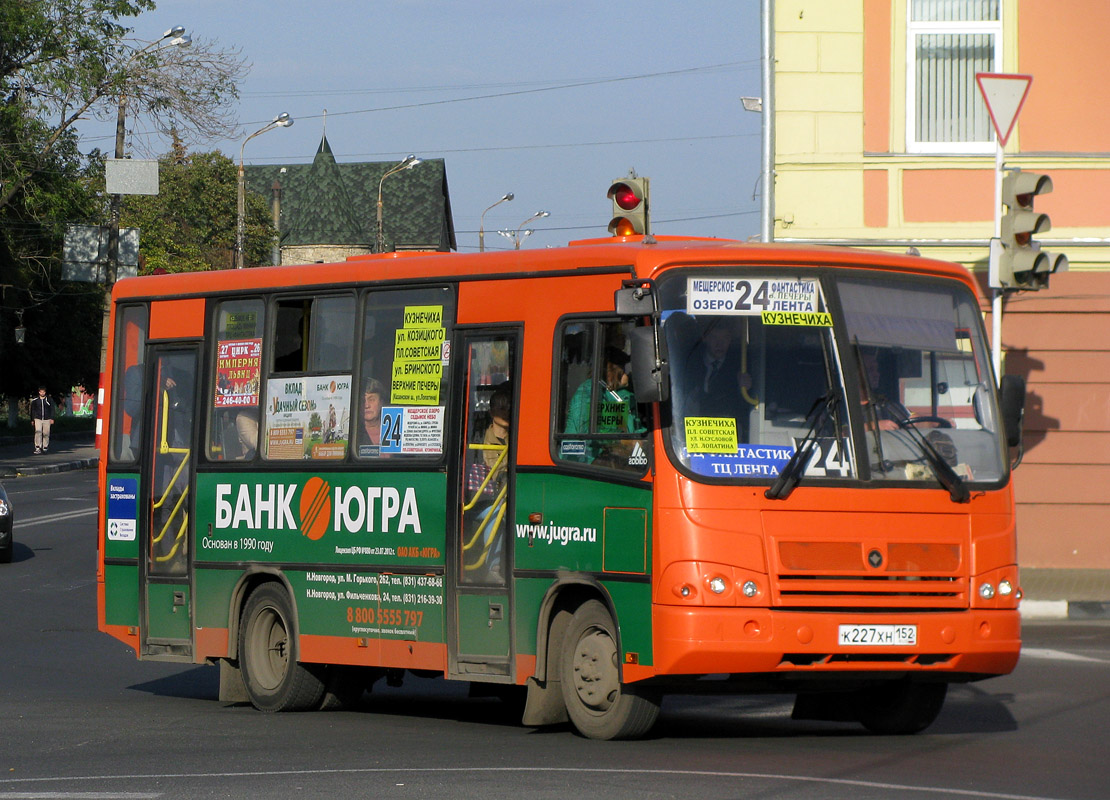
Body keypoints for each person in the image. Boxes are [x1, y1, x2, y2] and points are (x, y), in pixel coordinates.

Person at [359, 378, 386, 455]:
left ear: (381, 403)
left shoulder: (394, 432)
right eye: (363, 400)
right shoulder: (353, 435)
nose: (366, 405)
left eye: (371, 399)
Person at [31, 386, 55, 454]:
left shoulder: (49, 400)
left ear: (45, 392)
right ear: (39, 392)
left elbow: (52, 409)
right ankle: (38, 447)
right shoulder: (35, 400)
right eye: (41, 392)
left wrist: (52, 418)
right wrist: (32, 419)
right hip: (38, 418)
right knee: (38, 432)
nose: (42, 393)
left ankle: (45, 446)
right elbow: (33, 410)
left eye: (43, 392)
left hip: (47, 418)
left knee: (46, 433)